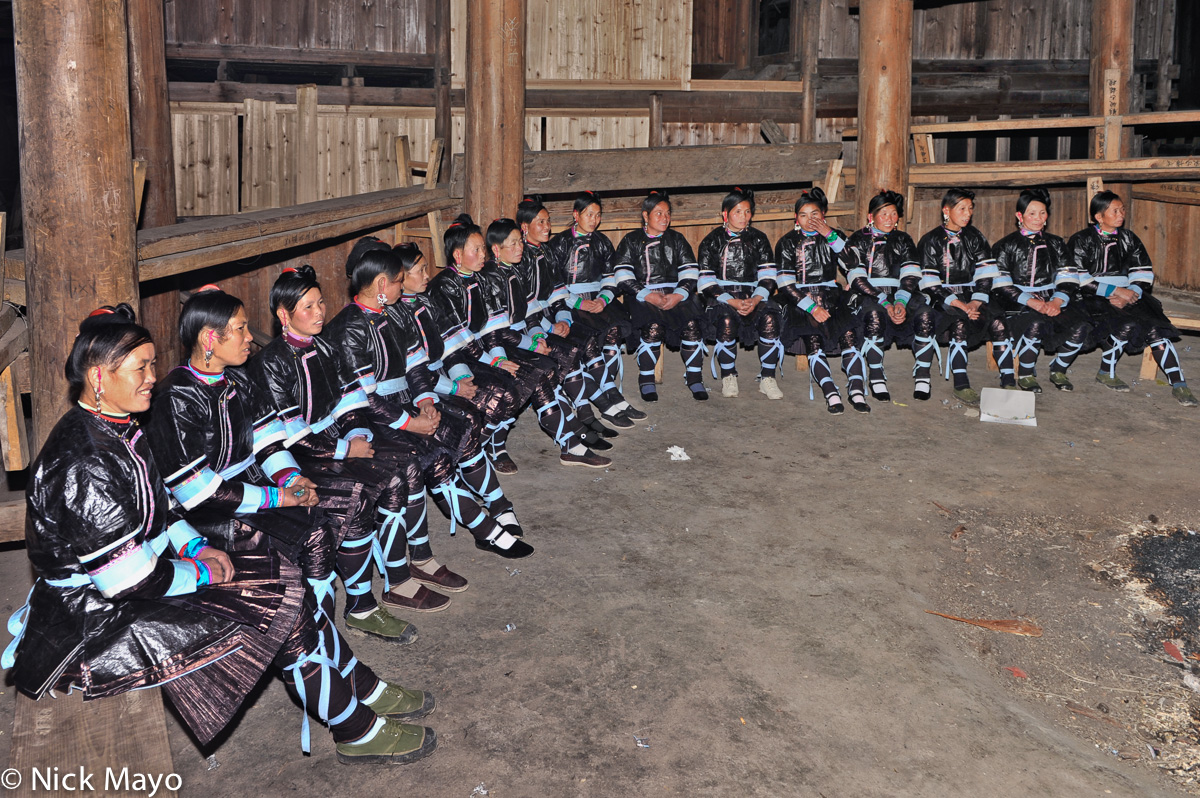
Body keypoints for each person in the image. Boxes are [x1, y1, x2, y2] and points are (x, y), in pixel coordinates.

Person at [7, 304, 436, 765]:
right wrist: (200, 570)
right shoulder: (85, 460)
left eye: (152, 364)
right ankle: (354, 726)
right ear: (98, 376)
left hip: (135, 581)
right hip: (93, 618)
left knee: (287, 584)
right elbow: (125, 580)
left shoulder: (117, 426)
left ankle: (357, 684)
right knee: (277, 605)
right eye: (140, 368)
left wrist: (195, 545)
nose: (152, 376)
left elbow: (161, 506)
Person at [323, 244, 530, 558]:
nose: (404, 285)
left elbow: (415, 365)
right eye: (399, 280)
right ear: (382, 284)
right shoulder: (350, 326)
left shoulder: (389, 312)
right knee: (430, 460)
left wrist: (425, 401)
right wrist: (411, 421)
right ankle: (460, 540)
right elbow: (364, 398)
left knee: (457, 434)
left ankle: (492, 516)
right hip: (372, 419)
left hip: (405, 403)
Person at [1069, 190, 1197, 405]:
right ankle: (1106, 373)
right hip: (1093, 296)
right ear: (1099, 217)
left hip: (1129, 293)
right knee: (1123, 324)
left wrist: (1133, 293)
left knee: (1156, 329)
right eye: (1115, 211)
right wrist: (1114, 292)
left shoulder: (1129, 238)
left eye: (1122, 209)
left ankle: (1179, 384)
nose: (1121, 214)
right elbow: (1078, 278)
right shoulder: (1081, 240)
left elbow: (1143, 271)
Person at [515, 196, 621, 442]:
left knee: (586, 340)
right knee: (565, 353)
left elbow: (558, 292)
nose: (547, 227)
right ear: (524, 228)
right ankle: (579, 419)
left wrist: (564, 319)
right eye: (540, 222)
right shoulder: (518, 261)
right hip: (531, 325)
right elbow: (523, 309)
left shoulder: (546, 252)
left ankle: (596, 406)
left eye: (548, 221)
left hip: (552, 316)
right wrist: (550, 326)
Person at [544, 190, 644, 426]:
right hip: (568, 302)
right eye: (589, 214)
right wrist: (578, 302)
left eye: (598, 215)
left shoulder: (602, 242)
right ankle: (606, 399)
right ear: (576, 214)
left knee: (614, 330)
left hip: (598, 302)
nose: (594, 220)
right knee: (586, 339)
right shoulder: (559, 243)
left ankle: (610, 393)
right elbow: (552, 284)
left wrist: (602, 300)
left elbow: (611, 277)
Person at [776, 187, 870, 413]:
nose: (810, 220)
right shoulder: (787, 242)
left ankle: (856, 390)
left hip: (832, 296)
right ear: (796, 218)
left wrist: (830, 234)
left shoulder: (833, 237)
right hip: (800, 300)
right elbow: (785, 285)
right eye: (804, 215)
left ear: (823, 215)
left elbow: (852, 261)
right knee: (813, 339)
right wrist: (811, 308)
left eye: (815, 214)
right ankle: (831, 392)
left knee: (849, 334)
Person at [917, 188, 1014, 405]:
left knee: (998, 321)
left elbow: (986, 275)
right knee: (958, 323)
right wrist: (961, 304)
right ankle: (961, 383)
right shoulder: (931, 240)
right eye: (962, 208)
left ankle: (1009, 380)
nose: (967, 213)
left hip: (973, 296)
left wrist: (976, 301)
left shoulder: (975, 237)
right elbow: (930, 284)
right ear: (946, 210)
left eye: (970, 208)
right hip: (942, 298)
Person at [991, 187, 1093, 393]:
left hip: (1051, 298)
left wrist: (1057, 301)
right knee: (1035, 323)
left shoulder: (1055, 243)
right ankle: (1026, 373)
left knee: (1081, 326)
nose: (1038, 218)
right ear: (1019, 216)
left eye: (1042, 213)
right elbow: (1000, 283)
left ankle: (1059, 368)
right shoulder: (1005, 245)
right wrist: (1031, 301)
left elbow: (1068, 276)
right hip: (1016, 301)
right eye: (1032, 213)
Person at [612, 190, 709, 401]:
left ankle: (694, 377)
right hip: (641, 295)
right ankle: (646, 379)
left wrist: (679, 294)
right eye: (658, 213)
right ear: (645, 216)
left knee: (692, 324)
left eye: (667, 213)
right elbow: (622, 274)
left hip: (675, 293)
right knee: (652, 326)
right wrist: (647, 294)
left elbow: (691, 271)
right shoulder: (632, 240)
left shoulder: (677, 239)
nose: (664, 218)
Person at [840, 190, 936, 401]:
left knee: (925, 313)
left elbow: (910, 274)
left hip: (900, 293)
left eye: (893, 214)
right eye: (884, 214)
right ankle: (876, 375)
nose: (890, 219)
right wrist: (884, 301)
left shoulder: (903, 239)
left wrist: (901, 301)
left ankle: (923, 375)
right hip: (869, 294)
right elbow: (857, 278)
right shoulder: (857, 239)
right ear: (870, 216)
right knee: (874, 314)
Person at [695, 187, 784, 400]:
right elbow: (706, 280)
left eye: (747, 212)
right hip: (722, 296)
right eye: (737, 211)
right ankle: (728, 374)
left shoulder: (759, 239)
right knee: (725, 320)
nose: (743, 217)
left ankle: (767, 378)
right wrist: (732, 301)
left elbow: (769, 276)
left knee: (770, 317)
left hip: (754, 294)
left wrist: (756, 298)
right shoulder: (712, 240)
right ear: (725, 214)